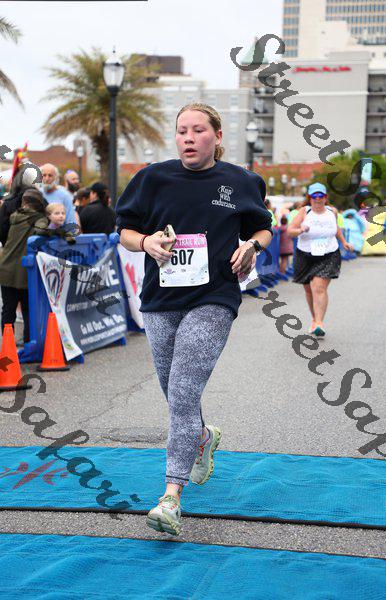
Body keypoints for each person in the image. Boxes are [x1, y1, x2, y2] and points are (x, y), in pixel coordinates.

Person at [116, 103, 272, 536]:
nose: (188, 137)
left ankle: (171, 496)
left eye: (198, 130)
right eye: (181, 130)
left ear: (217, 136)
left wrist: (252, 247)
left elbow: (262, 227)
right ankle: (202, 437)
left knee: (183, 392)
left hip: (214, 297)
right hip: (159, 300)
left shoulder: (241, 181)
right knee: (174, 391)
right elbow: (124, 231)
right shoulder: (152, 178)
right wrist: (145, 242)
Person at [287, 183, 353, 337]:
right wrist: (300, 230)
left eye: (321, 195)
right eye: (314, 196)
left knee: (318, 287)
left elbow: (336, 228)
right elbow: (290, 231)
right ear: (310, 198)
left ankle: (319, 323)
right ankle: (314, 319)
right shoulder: (304, 211)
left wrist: (344, 242)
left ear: (325, 197)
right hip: (305, 255)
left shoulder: (332, 211)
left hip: (329, 253)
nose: (318, 199)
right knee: (309, 290)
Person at [0, 188, 49, 344]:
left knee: (8, 309)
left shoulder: (15, 217)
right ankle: (28, 342)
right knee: (28, 308)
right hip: (24, 271)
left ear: (24, 203)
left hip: (6, 268)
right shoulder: (39, 219)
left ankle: (7, 344)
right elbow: (41, 231)